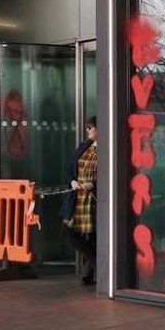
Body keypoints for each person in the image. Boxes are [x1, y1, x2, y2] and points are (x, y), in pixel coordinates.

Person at [60, 117, 99, 285]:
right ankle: (97, 264)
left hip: (93, 197)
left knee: (93, 236)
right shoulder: (85, 145)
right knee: (68, 230)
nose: (88, 130)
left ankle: (91, 273)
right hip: (78, 195)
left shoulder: (109, 147)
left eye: (90, 127)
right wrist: (72, 181)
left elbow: (111, 173)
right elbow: (71, 167)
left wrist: (94, 184)